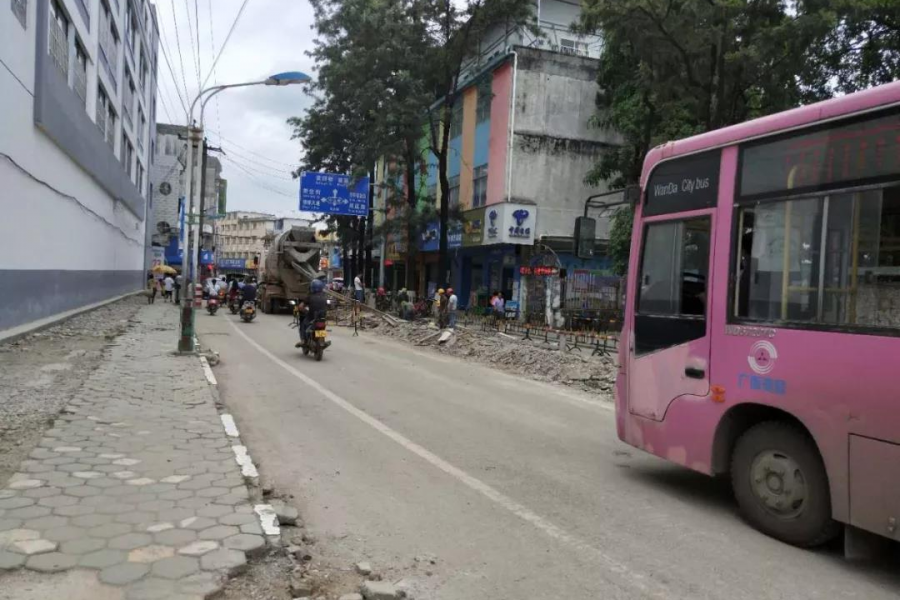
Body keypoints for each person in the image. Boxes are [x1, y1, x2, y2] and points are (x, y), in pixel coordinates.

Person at [295, 279, 329, 347]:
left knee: (303, 324)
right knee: (322, 326)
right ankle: (322, 340)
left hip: (311, 317)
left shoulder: (310, 296)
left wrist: (304, 311)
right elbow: (329, 306)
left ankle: (303, 340)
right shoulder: (325, 296)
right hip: (322, 317)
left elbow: (301, 307)